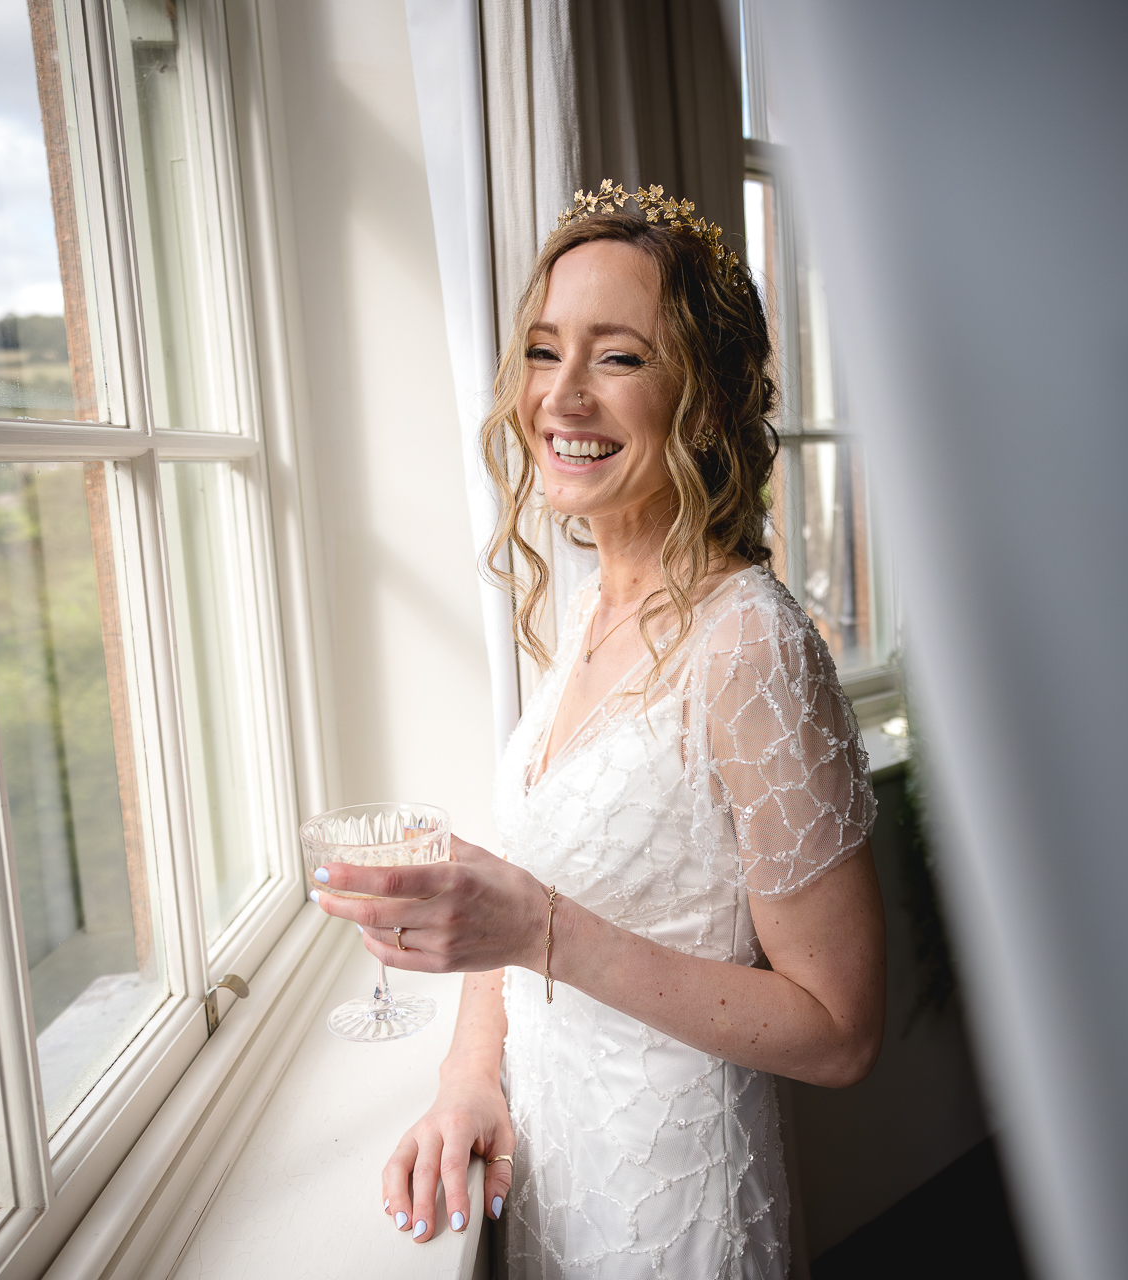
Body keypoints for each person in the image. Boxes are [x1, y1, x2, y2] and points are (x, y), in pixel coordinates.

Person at [308, 181, 887, 1279]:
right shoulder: (589, 609)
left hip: (672, 1205)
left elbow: (840, 1029)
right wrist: (466, 1080)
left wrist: (546, 934)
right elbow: (529, 888)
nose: (561, 395)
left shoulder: (752, 649)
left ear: (705, 401)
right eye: (543, 350)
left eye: (617, 356)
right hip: (553, 1164)